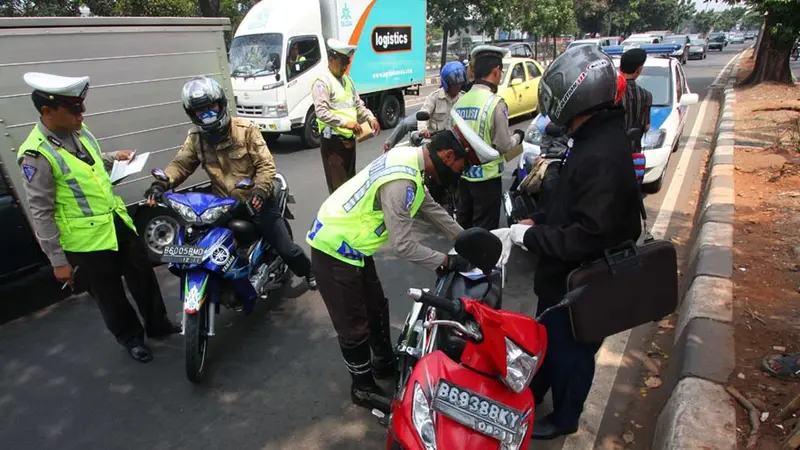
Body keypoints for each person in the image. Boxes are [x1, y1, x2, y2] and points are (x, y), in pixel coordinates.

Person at [306, 113, 497, 409]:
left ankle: (383, 364)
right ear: (448, 156)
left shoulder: (408, 157)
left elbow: (430, 208)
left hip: (354, 248)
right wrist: (445, 261)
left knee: (376, 308)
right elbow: (404, 245)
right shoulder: (401, 182)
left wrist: (467, 241)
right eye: (463, 166)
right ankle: (363, 388)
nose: (461, 174)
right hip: (333, 248)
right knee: (354, 324)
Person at [508, 46, 643, 439]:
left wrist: (532, 235)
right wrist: (539, 219)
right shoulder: (595, 138)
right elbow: (572, 204)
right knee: (549, 338)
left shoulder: (599, 153)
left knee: (574, 352)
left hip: (584, 282)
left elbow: (588, 233)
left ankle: (565, 417)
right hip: (565, 281)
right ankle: (535, 392)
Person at [17, 72, 180, 363]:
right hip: (86, 242)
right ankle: (132, 339)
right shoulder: (36, 155)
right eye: (74, 108)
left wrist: (114, 157)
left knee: (143, 276)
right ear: (47, 112)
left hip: (116, 222)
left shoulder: (79, 130)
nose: (82, 114)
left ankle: (158, 325)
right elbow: (40, 211)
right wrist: (57, 261)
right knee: (110, 296)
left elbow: (90, 160)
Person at [144, 76, 316, 290]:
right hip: (223, 205)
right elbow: (181, 164)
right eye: (200, 110)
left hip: (257, 202)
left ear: (221, 104)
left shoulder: (245, 130)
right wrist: (162, 184)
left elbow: (266, 166)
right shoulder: (196, 137)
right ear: (192, 113)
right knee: (197, 243)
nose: (207, 114)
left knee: (286, 248)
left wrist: (260, 192)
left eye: (211, 107)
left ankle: (308, 272)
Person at [454, 45, 524, 230]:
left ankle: (462, 258)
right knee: (484, 230)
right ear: (496, 71)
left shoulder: (460, 102)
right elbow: (503, 145)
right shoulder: (495, 103)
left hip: (464, 177)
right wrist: (517, 137)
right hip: (487, 180)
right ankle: (479, 260)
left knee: (464, 225)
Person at [312, 38, 380, 194]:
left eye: (347, 63)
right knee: (339, 192)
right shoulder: (322, 82)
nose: (344, 67)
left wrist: (371, 118)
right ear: (330, 60)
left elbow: (358, 105)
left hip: (349, 142)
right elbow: (321, 112)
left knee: (351, 187)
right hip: (333, 143)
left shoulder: (348, 81)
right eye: (341, 62)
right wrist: (345, 123)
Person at [382, 61, 467, 151]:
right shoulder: (435, 97)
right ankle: (388, 146)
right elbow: (424, 113)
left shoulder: (464, 98)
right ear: (447, 84)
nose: (457, 87)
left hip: (452, 139)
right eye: (454, 85)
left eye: (459, 84)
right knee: (406, 124)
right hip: (432, 137)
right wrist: (423, 130)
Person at [620, 48, 653, 152]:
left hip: (613, 152)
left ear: (621, 67)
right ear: (639, 69)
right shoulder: (647, 95)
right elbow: (647, 126)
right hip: (634, 151)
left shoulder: (612, 92)